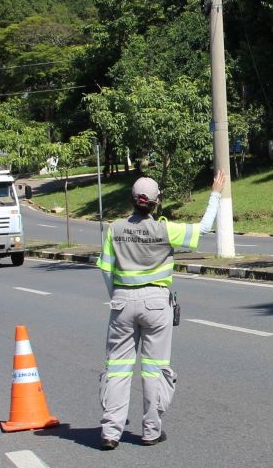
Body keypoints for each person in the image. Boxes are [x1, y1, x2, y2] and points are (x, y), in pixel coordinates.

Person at [96, 171, 226, 450]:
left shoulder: (114, 229)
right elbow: (203, 228)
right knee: (154, 369)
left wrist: (117, 298)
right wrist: (215, 193)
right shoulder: (165, 230)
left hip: (122, 302)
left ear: (132, 200)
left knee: (118, 368)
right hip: (156, 304)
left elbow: (106, 269)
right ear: (156, 202)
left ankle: (110, 432)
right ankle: (151, 431)